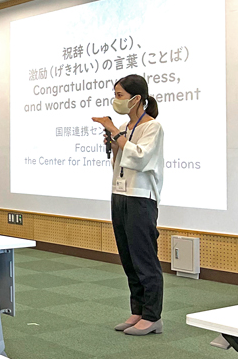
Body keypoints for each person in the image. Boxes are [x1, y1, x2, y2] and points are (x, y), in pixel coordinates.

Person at [92, 74, 164, 336]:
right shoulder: (126, 126)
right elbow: (122, 162)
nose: (116, 100)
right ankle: (138, 311)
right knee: (128, 256)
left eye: (120, 95)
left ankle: (153, 316)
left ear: (137, 98)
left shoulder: (152, 127)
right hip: (120, 194)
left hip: (141, 197)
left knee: (144, 258)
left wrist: (116, 134)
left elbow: (141, 159)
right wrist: (115, 142)